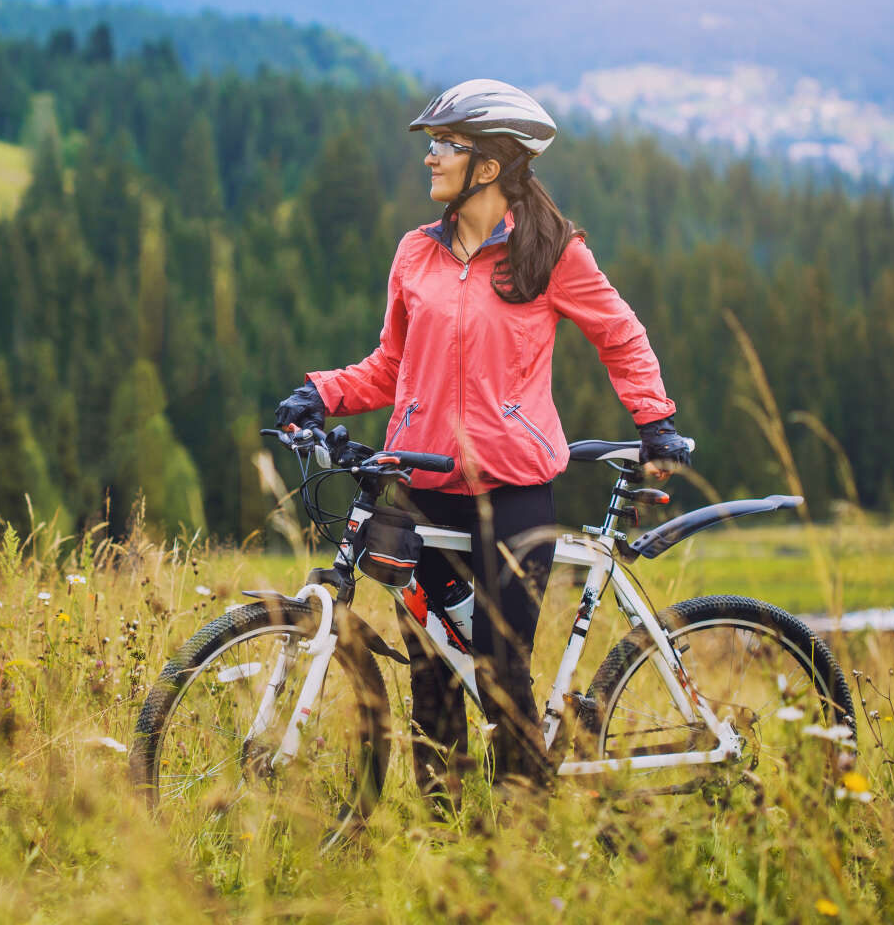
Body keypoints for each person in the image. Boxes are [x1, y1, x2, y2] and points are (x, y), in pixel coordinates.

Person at [274, 79, 690, 803]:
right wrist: (322, 391)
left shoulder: (552, 253)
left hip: (514, 496)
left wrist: (654, 420)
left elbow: (621, 335)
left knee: (500, 673)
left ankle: (523, 844)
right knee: (432, 669)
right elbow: (392, 368)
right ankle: (445, 840)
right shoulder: (416, 253)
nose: (429, 159)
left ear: (489, 165)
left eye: (445, 146)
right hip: (422, 485)